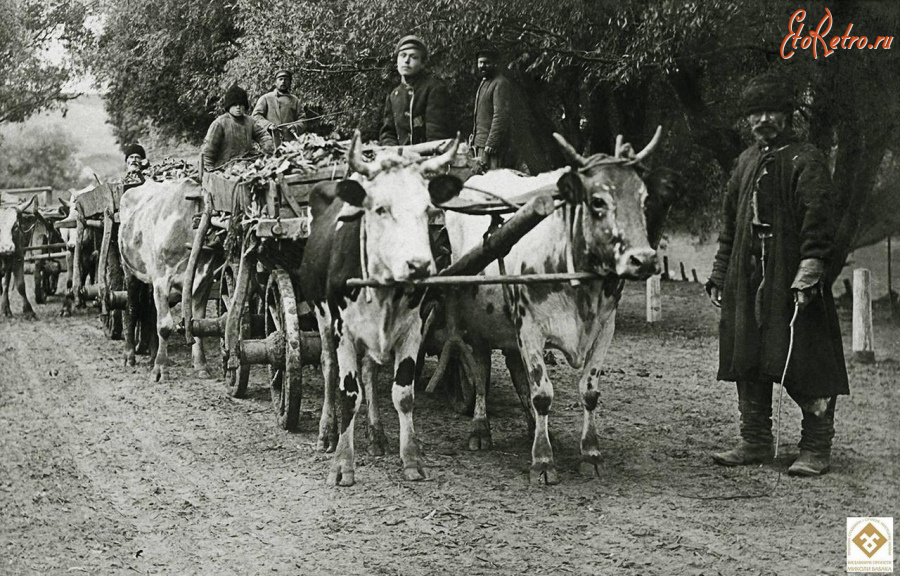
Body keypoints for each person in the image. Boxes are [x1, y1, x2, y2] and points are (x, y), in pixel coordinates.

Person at [706, 72, 849, 477]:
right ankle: (755, 440)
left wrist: (810, 270)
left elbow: (819, 221)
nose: (762, 120)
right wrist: (720, 273)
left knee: (805, 355)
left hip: (791, 273)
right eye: (754, 113)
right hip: (746, 275)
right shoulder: (746, 161)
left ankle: (815, 447)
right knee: (746, 353)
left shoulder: (807, 159)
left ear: (787, 116)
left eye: (771, 111)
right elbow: (730, 224)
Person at [379, 35, 454, 146]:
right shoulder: (394, 95)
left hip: (426, 158)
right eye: (402, 56)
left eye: (413, 57)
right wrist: (392, 153)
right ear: (397, 61)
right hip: (400, 159)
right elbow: (388, 133)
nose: (406, 61)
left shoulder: (434, 89)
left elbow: (436, 134)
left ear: (422, 64)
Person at [201, 85, 273, 170]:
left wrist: (265, 152)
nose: (238, 107)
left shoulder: (250, 121)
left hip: (247, 165)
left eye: (241, 104)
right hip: (224, 168)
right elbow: (208, 151)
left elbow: (263, 136)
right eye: (234, 104)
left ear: (245, 106)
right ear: (229, 106)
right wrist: (209, 170)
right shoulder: (219, 123)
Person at [471, 47, 515, 174]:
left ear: (495, 64)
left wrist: (493, 142)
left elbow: (500, 115)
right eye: (480, 62)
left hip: (492, 147)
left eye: (486, 62)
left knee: (495, 181)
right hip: (481, 144)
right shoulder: (484, 83)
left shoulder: (500, 83)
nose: (482, 66)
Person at [251, 69, 305, 141]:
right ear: (275, 82)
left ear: (290, 82)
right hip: (270, 140)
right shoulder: (266, 98)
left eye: (286, 79)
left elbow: (303, 119)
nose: (283, 82)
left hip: (290, 142)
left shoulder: (295, 100)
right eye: (280, 79)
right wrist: (268, 125)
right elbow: (255, 117)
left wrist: (295, 126)